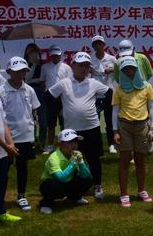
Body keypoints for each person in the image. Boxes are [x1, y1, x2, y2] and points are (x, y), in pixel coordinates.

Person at [48, 52, 108, 200]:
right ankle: (74, 190)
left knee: (94, 158)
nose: (83, 68)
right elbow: (48, 97)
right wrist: (59, 110)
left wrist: (100, 107)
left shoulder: (94, 83)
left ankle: (97, 186)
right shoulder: (64, 83)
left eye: (87, 66)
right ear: (73, 66)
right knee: (73, 160)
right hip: (72, 131)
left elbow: (110, 95)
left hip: (92, 128)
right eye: (80, 65)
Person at [0, 57, 40, 211]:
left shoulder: (29, 89)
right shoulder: (0, 92)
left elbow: (34, 110)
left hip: (25, 135)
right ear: (8, 72)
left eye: (23, 71)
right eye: (16, 71)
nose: (20, 74)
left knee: (23, 167)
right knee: (3, 169)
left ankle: (21, 196)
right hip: (6, 138)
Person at [112, 56, 153, 208]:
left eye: (132, 68)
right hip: (124, 126)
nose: (129, 71)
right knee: (124, 160)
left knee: (140, 160)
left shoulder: (146, 86)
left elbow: (151, 108)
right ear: (122, 71)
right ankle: (124, 194)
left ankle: (141, 190)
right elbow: (115, 111)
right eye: (126, 69)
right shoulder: (118, 88)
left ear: (136, 69)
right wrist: (115, 131)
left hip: (142, 126)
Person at [0, 65, 21, 236]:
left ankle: (0, 212)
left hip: (1, 151)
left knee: (1, 182)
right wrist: (5, 146)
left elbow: (3, 123)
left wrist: (11, 142)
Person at [39, 129, 93, 215]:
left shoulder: (75, 155)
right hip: (52, 184)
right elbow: (61, 178)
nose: (74, 145)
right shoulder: (53, 158)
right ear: (61, 144)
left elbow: (86, 175)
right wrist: (73, 163)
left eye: (75, 142)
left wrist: (81, 162)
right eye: (70, 142)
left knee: (88, 180)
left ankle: (74, 198)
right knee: (52, 186)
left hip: (67, 183)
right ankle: (46, 204)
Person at [40, 45, 72, 154]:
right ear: (50, 55)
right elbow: (42, 81)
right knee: (51, 124)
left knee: (64, 123)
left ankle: (65, 144)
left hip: (63, 98)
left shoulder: (66, 67)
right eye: (53, 55)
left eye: (57, 55)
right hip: (50, 98)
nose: (55, 57)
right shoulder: (45, 67)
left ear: (60, 55)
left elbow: (70, 83)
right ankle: (50, 145)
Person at [90, 35, 117, 154]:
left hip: (109, 93)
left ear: (104, 45)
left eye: (100, 43)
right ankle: (96, 145)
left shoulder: (111, 58)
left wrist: (112, 70)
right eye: (96, 44)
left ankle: (111, 144)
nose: (98, 46)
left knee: (109, 120)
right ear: (93, 46)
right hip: (94, 94)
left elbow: (119, 69)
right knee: (94, 120)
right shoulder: (90, 60)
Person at [24, 43, 47, 149]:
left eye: (35, 52)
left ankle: (42, 141)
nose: (32, 55)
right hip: (28, 90)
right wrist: (32, 65)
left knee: (43, 118)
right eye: (30, 53)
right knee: (30, 117)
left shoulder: (43, 65)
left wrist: (37, 64)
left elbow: (44, 79)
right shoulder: (25, 65)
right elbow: (27, 79)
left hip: (40, 91)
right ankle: (31, 141)